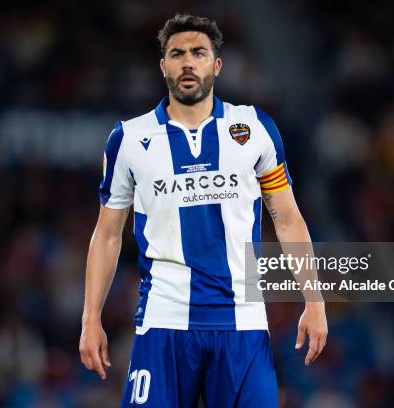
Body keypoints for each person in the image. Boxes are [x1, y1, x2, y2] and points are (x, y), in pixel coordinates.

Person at [79, 13, 328, 407]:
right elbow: (108, 234)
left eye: (198, 52)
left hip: (242, 325)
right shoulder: (128, 138)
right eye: (177, 54)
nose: (188, 62)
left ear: (217, 64)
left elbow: (287, 218)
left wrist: (314, 302)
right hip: (163, 323)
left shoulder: (254, 128)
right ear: (163, 66)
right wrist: (90, 317)